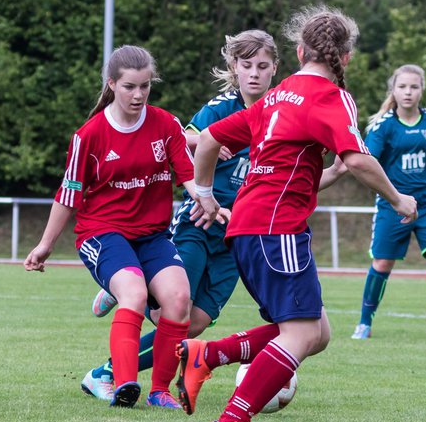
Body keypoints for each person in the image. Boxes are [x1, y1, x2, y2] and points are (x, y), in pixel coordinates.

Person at [179, 5, 418, 422]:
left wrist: (205, 191)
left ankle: (208, 354)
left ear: (299, 50)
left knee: (318, 332)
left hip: (252, 227)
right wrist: (399, 198)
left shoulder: (279, 93)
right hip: (276, 230)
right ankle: (230, 421)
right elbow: (357, 159)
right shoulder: (329, 97)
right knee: (304, 332)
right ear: (345, 58)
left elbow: (210, 139)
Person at [79, 30, 278, 400]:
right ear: (234, 68)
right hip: (200, 222)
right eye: (246, 65)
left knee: (196, 323)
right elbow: (179, 138)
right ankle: (111, 357)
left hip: (238, 234)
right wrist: (207, 143)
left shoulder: (281, 114)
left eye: (262, 66)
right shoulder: (220, 109)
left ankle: (112, 360)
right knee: (173, 309)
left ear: (274, 69)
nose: (254, 73)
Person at [24, 45, 201, 409]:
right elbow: (67, 195)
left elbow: (189, 176)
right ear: (112, 84)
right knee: (134, 294)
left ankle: (159, 391)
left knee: (179, 299)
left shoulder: (166, 125)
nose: (138, 95)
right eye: (129, 87)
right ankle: (123, 385)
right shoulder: (89, 135)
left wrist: (206, 199)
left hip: (151, 235)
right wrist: (45, 245)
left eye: (145, 87)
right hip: (102, 232)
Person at [320, 64, 426, 341]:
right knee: (382, 264)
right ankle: (364, 323)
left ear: (421, 90)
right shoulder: (383, 125)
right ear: (394, 89)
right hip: (393, 205)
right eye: (402, 86)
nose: (408, 92)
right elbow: (366, 160)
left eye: (414, 87)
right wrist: (346, 173)